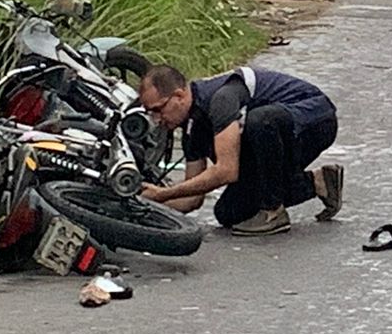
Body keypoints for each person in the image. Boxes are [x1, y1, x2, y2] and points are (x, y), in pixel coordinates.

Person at [138, 64, 343, 236]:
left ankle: (273, 211)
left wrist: (164, 193)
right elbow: (191, 199)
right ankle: (318, 183)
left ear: (179, 96)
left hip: (314, 121)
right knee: (229, 213)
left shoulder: (220, 100)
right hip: (274, 137)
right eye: (150, 113)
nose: (156, 120)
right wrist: (143, 206)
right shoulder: (191, 127)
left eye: (158, 109)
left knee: (261, 121)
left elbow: (227, 170)